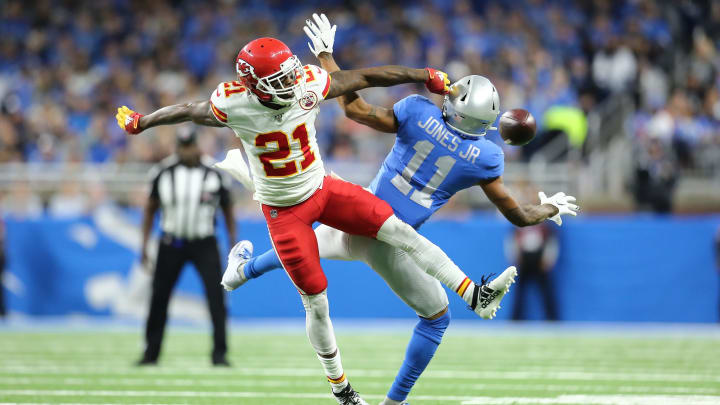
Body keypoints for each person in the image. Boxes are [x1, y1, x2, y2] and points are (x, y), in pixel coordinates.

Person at [117, 14, 515, 405]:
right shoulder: (232, 102)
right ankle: (342, 390)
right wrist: (143, 121)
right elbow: (188, 109)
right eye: (280, 80)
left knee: (400, 232)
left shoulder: (306, 81)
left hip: (323, 188)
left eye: (291, 72)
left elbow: (366, 77)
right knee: (318, 303)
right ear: (254, 86)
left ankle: (473, 294)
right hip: (283, 210)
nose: (292, 81)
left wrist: (421, 74)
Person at [215, 14, 580, 405]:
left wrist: (326, 58)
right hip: (388, 236)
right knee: (436, 319)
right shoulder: (486, 157)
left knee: (302, 241)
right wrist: (545, 208)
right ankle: (396, 399)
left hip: (360, 213)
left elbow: (355, 108)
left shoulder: (418, 112)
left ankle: (243, 268)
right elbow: (518, 216)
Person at [136, 128, 236, 367]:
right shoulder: (162, 172)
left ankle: (219, 353)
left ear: (197, 145)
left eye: (190, 145)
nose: (186, 151)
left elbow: (228, 209)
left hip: (205, 243)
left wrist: (233, 242)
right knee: (159, 298)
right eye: (182, 146)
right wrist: (144, 245)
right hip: (171, 242)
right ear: (177, 147)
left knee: (216, 299)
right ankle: (151, 352)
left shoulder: (214, 172)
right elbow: (150, 209)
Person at [508, 221, 559, 321]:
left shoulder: (546, 226)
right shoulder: (519, 223)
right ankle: (515, 319)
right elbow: (512, 240)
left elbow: (551, 242)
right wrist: (515, 257)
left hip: (540, 260)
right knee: (520, 292)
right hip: (524, 259)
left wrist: (547, 259)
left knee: (546, 292)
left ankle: (552, 319)